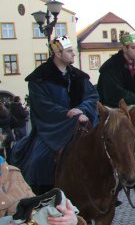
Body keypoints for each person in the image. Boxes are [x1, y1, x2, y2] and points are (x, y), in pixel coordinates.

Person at [11, 36, 98, 193]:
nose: (74, 54)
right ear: (58, 53)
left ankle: (107, 192)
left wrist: (81, 110)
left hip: (82, 123)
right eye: (69, 51)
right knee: (37, 161)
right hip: (53, 130)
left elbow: (92, 96)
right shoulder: (39, 79)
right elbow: (42, 106)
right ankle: (40, 196)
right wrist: (67, 113)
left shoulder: (79, 77)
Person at [97, 32, 135, 108]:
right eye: (133, 48)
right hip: (114, 108)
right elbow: (115, 93)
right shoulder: (110, 67)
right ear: (125, 48)